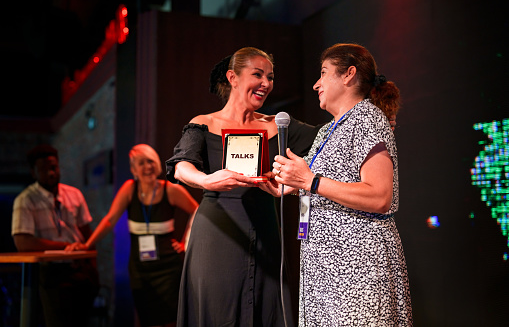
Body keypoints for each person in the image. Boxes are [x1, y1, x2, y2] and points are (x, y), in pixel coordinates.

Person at [166, 47, 321, 327]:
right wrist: (206, 180)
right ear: (233, 78)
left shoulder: (279, 126)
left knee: (267, 306)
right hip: (218, 232)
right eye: (257, 74)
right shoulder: (204, 123)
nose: (266, 83)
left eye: (270, 77)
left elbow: (329, 145)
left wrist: (296, 187)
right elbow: (181, 166)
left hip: (265, 230)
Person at [261, 43, 413, 326]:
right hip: (326, 269)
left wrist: (311, 180)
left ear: (348, 75)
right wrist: (293, 185)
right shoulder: (327, 131)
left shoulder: (367, 118)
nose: (316, 84)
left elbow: (380, 196)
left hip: (358, 266)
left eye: (323, 73)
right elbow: (329, 185)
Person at [66, 144, 198, 327]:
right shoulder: (129, 189)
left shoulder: (171, 189)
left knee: (170, 320)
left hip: (168, 269)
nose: (147, 167)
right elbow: (109, 220)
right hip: (140, 269)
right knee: (148, 319)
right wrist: (87, 245)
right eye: (141, 163)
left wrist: (186, 242)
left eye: (150, 161)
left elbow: (197, 211)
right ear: (133, 169)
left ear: (157, 164)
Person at [11, 144, 99, 327]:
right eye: (44, 169)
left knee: (83, 320)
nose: (51, 173)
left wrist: (92, 267)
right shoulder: (26, 199)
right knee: (57, 321)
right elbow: (22, 242)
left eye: (54, 167)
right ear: (33, 173)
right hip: (52, 271)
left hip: (80, 268)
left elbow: (86, 233)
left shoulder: (73, 194)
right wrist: (66, 247)